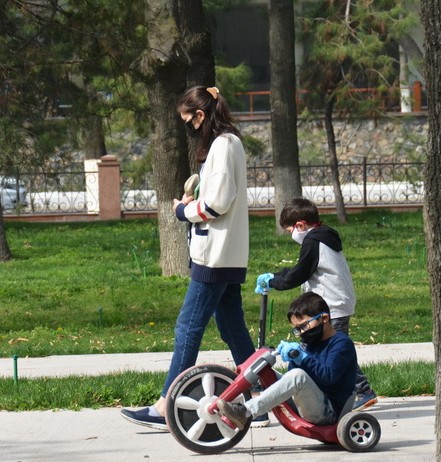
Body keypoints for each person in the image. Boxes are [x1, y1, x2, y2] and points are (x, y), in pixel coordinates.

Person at [120, 85, 266, 430]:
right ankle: (260, 398)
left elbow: (216, 204)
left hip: (215, 255)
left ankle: (165, 407)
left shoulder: (224, 145)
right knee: (233, 330)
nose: (188, 127)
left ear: (201, 116)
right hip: (220, 252)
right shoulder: (226, 144)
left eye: (188, 120)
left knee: (187, 328)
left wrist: (184, 210)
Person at [255, 197, 378, 411]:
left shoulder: (313, 241)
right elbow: (303, 269)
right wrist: (276, 275)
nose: (290, 234)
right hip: (334, 302)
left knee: (328, 350)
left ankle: (361, 390)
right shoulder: (323, 236)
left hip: (331, 306)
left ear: (300, 225)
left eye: (289, 230)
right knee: (326, 349)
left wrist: (274, 281)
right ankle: (350, 389)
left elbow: (299, 274)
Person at [217, 292, 358, 429]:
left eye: (304, 326)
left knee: (298, 375)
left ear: (324, 318)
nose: (302, 332)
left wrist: (301, 358)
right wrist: (294, 359)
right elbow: (294, 378)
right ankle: (231, 402)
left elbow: (328, 376)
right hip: (310, 403)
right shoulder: (311, 343)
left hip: (329, 411)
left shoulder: (342, 344)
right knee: (267, 372)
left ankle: (246, 411)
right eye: (297, 329)